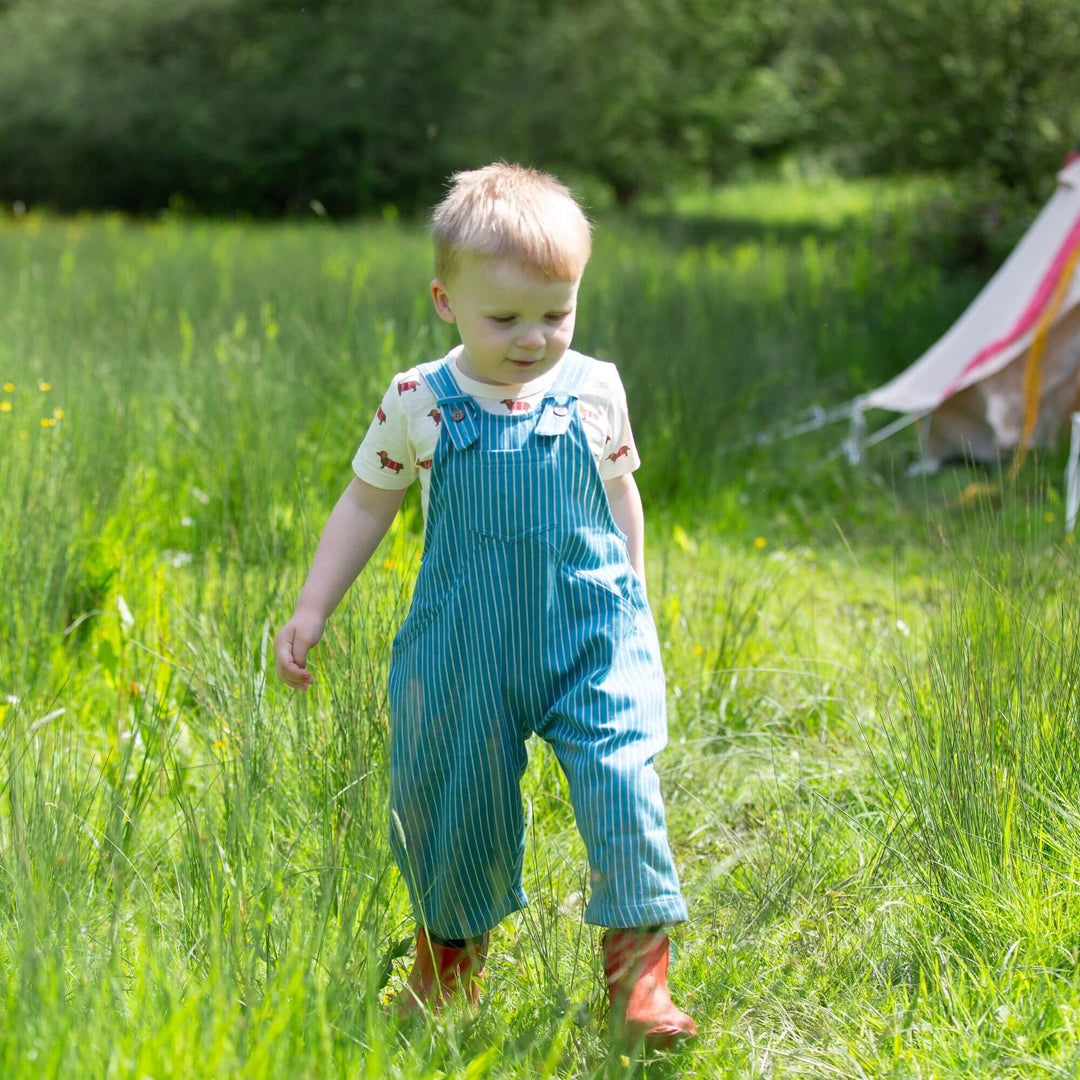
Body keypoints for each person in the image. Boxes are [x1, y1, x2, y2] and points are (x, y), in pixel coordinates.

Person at [274, 163, 697, 1047]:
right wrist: (314, 608)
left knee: (624, 784)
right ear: (445, 300)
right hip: (464, 645)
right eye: (505, 318)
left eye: (557, 312)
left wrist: (638, 600)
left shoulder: (594, 388)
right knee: (453, 799)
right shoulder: (418, 401)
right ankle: (448, 964)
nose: (534, 337)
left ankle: (637, 983)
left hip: (590, 630)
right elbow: (365, 502)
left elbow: (623, 494)